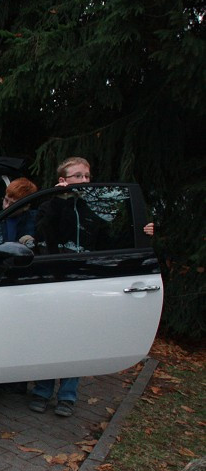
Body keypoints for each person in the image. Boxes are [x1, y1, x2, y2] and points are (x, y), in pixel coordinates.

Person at [29, 157, 155, 417]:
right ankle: (42, 390)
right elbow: (42, 235)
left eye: (87, 176)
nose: (85, 180)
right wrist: (58, 200)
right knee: (51, 337)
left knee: (76, 340)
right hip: (53, 283)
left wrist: (143, 232)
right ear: (63, 180)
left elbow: (108, 242)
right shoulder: (49, 206)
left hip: (83, 285)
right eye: (78, 176)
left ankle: (67, 395)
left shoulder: (90, 210)